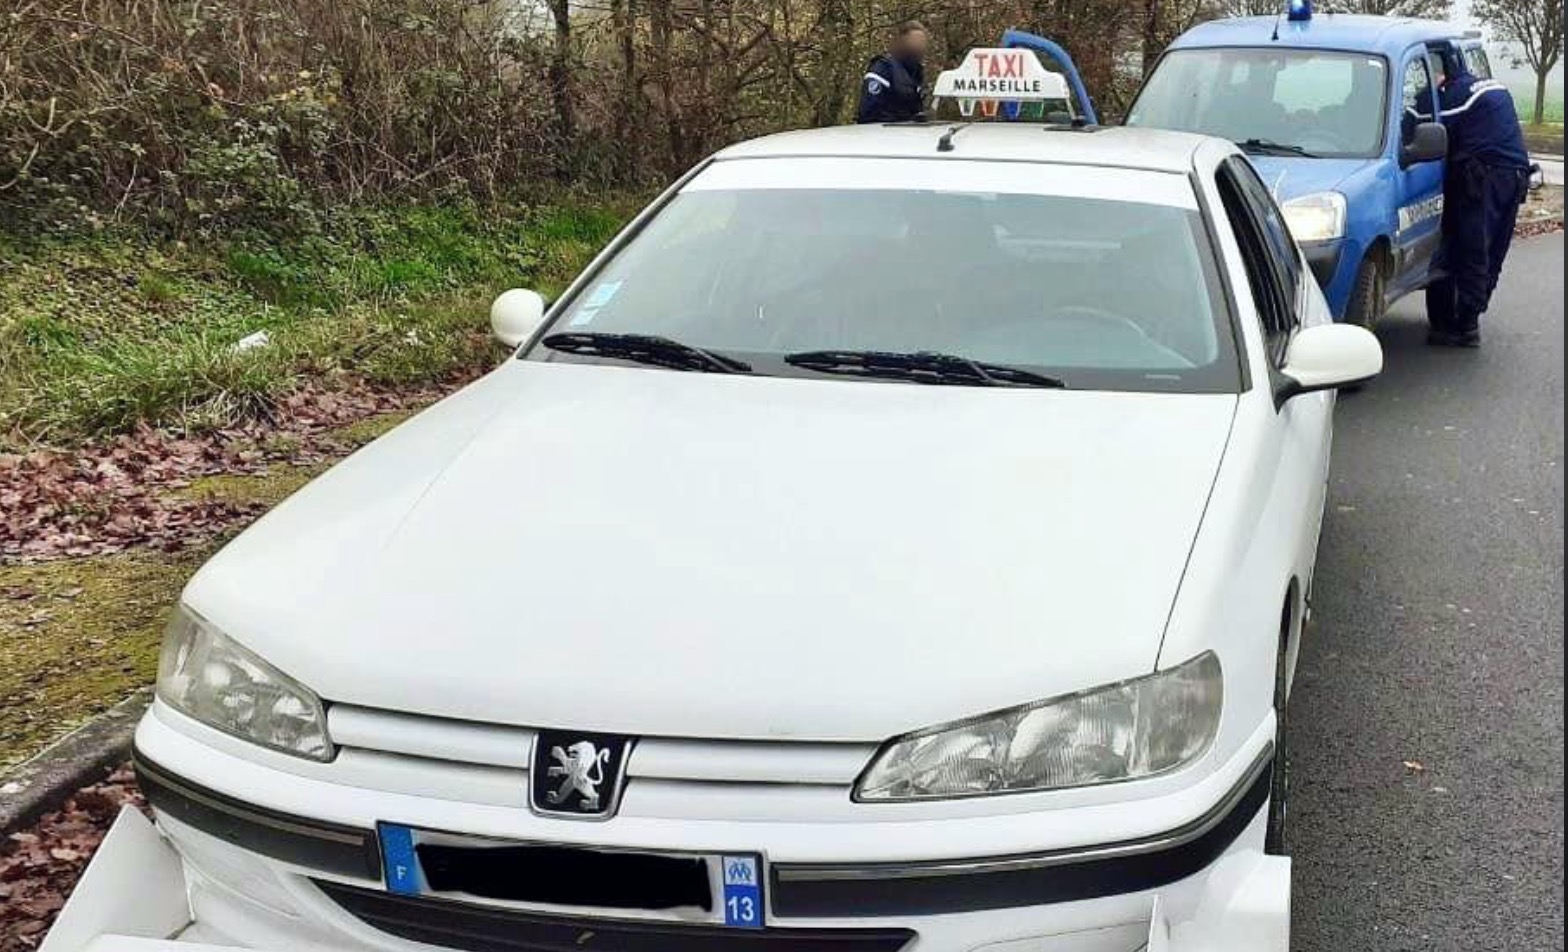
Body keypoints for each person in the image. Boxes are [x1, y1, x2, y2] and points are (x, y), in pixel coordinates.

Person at [1424, 50, 1532, 348]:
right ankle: (1471, 314)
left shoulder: (1454, 97)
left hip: (1484, 178)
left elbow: (1424, 125)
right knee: (1493, 247)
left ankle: (1464, 325)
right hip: (1515, 176)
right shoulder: (1491, 85)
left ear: (1443, 74)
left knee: (1472, 247)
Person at [856, 21, 929, 124]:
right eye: (914, 41)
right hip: (882, 134)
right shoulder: (883, 68)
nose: (919, 46)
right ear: (902, 42)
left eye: (922, 42)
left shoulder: (916, 72)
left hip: (908, 135)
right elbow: (868, 112)